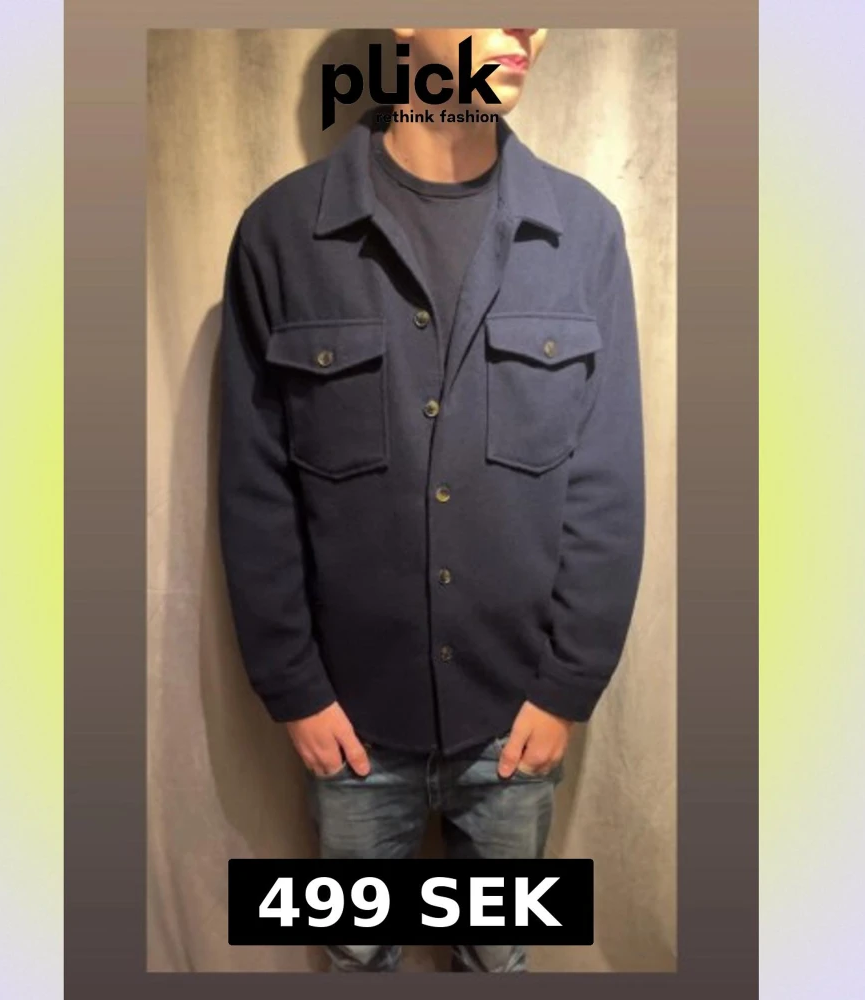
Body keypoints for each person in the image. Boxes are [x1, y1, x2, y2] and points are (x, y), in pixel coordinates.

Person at [217, 27, 645, 973]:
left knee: (500, 963)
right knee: (356, 962)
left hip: (517, 720)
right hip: (351, 725)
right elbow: (255, 487)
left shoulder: (584, 233)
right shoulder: (282, 235)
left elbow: (608, 479)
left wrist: (567, 685)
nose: (530, 25)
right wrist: (293, 686)